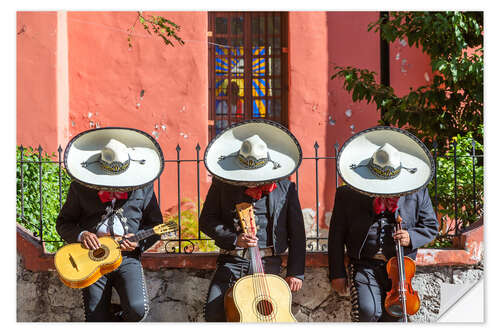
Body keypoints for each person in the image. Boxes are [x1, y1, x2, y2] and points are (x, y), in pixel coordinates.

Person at [328, 126, 439, 322]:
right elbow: (336, 235)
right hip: (363, 264)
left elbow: (431, 226)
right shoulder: (347, 195)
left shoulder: (417, 192)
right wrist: (337, 273)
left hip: (400, 270)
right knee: (368, 311)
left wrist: (411, 237)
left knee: (395, 316)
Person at [200, 119, 306, 322]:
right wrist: (234, 238)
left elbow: (297, 233)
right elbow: (206, 221)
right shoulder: (222, 185)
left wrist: (295, 272)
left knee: (264, 319)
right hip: (232, 261)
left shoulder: (286, 188)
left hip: (269, 263)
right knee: (214, 313)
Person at [56, 127, 165, 322]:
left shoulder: (144, 188)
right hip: (91, 258)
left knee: (137, 309)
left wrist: (138, 243)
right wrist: (82, 235)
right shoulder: (79, 188)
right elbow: (64, 223)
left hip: (127, 258)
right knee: (95, 316)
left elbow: (156, 225)